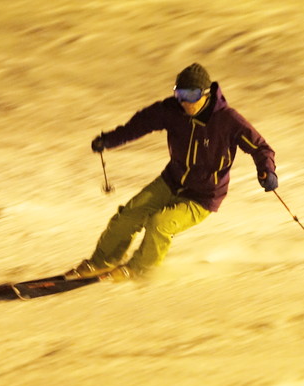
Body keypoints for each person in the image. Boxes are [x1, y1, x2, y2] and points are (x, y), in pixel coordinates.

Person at [65, 63, 278, 282]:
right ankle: (99, 263)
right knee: (128, 215)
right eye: (180, 94)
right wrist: (110, 139)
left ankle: (140, 269)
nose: (185, 101)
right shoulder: (171, 111)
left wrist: (266, 171)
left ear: (205, 94)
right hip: (171, 181)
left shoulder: (227, 120)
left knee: (160, 224)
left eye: (192, 95)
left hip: (203, 196)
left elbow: (261, 148)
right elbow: (139, 125)